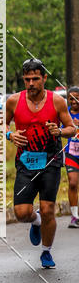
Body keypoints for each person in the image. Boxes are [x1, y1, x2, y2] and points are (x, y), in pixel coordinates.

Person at [5, 59, 76, 269]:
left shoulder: (57, 102)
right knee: (21, 212)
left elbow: (72, 128)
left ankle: (46, 252)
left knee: (48, 209)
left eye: (35, 78)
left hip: (51, 160)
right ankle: (35, 222)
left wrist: (60, 131)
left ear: (44, 78)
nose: (31, 83)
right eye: (27, 79)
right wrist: (10, 134)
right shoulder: (14, 101)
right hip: (25, 162)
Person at [63, 86, 79, 228]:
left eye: (77, 98)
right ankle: (75, 217)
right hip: (71, 153)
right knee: (73, 183)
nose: (74, 101)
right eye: (71, 98)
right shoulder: (65, 113)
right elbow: (59, 129)